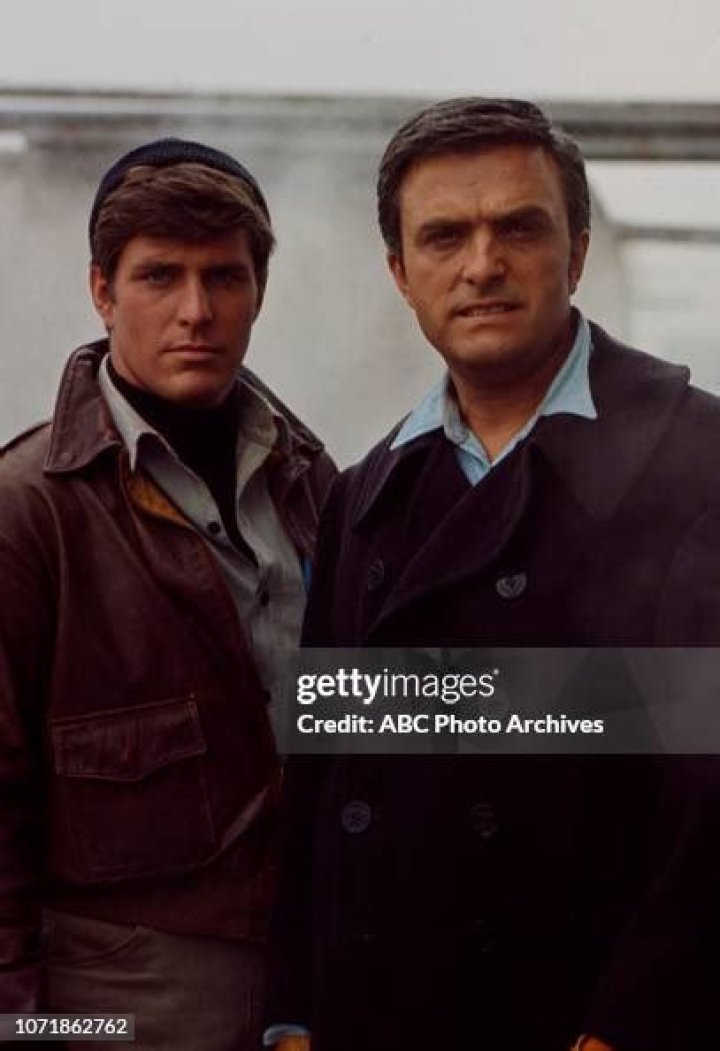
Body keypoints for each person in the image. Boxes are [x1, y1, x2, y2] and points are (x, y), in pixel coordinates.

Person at [265, 99, 720, 1051]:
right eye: (444, 237)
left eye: (519, 227)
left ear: (577, 252)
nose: (482, 264)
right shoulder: (364, 496)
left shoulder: (698, 460)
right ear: (400, 273)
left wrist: (631, 1023)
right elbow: (324, 783)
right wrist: (293, 1013)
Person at [0, 138, 334, 1049]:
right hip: (118, 1004)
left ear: (259, 290)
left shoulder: (315, 481)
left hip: (308, 984)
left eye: (224, 276)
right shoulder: (28, 511)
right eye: (159, 276)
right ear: (102, 292)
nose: (196, 310)